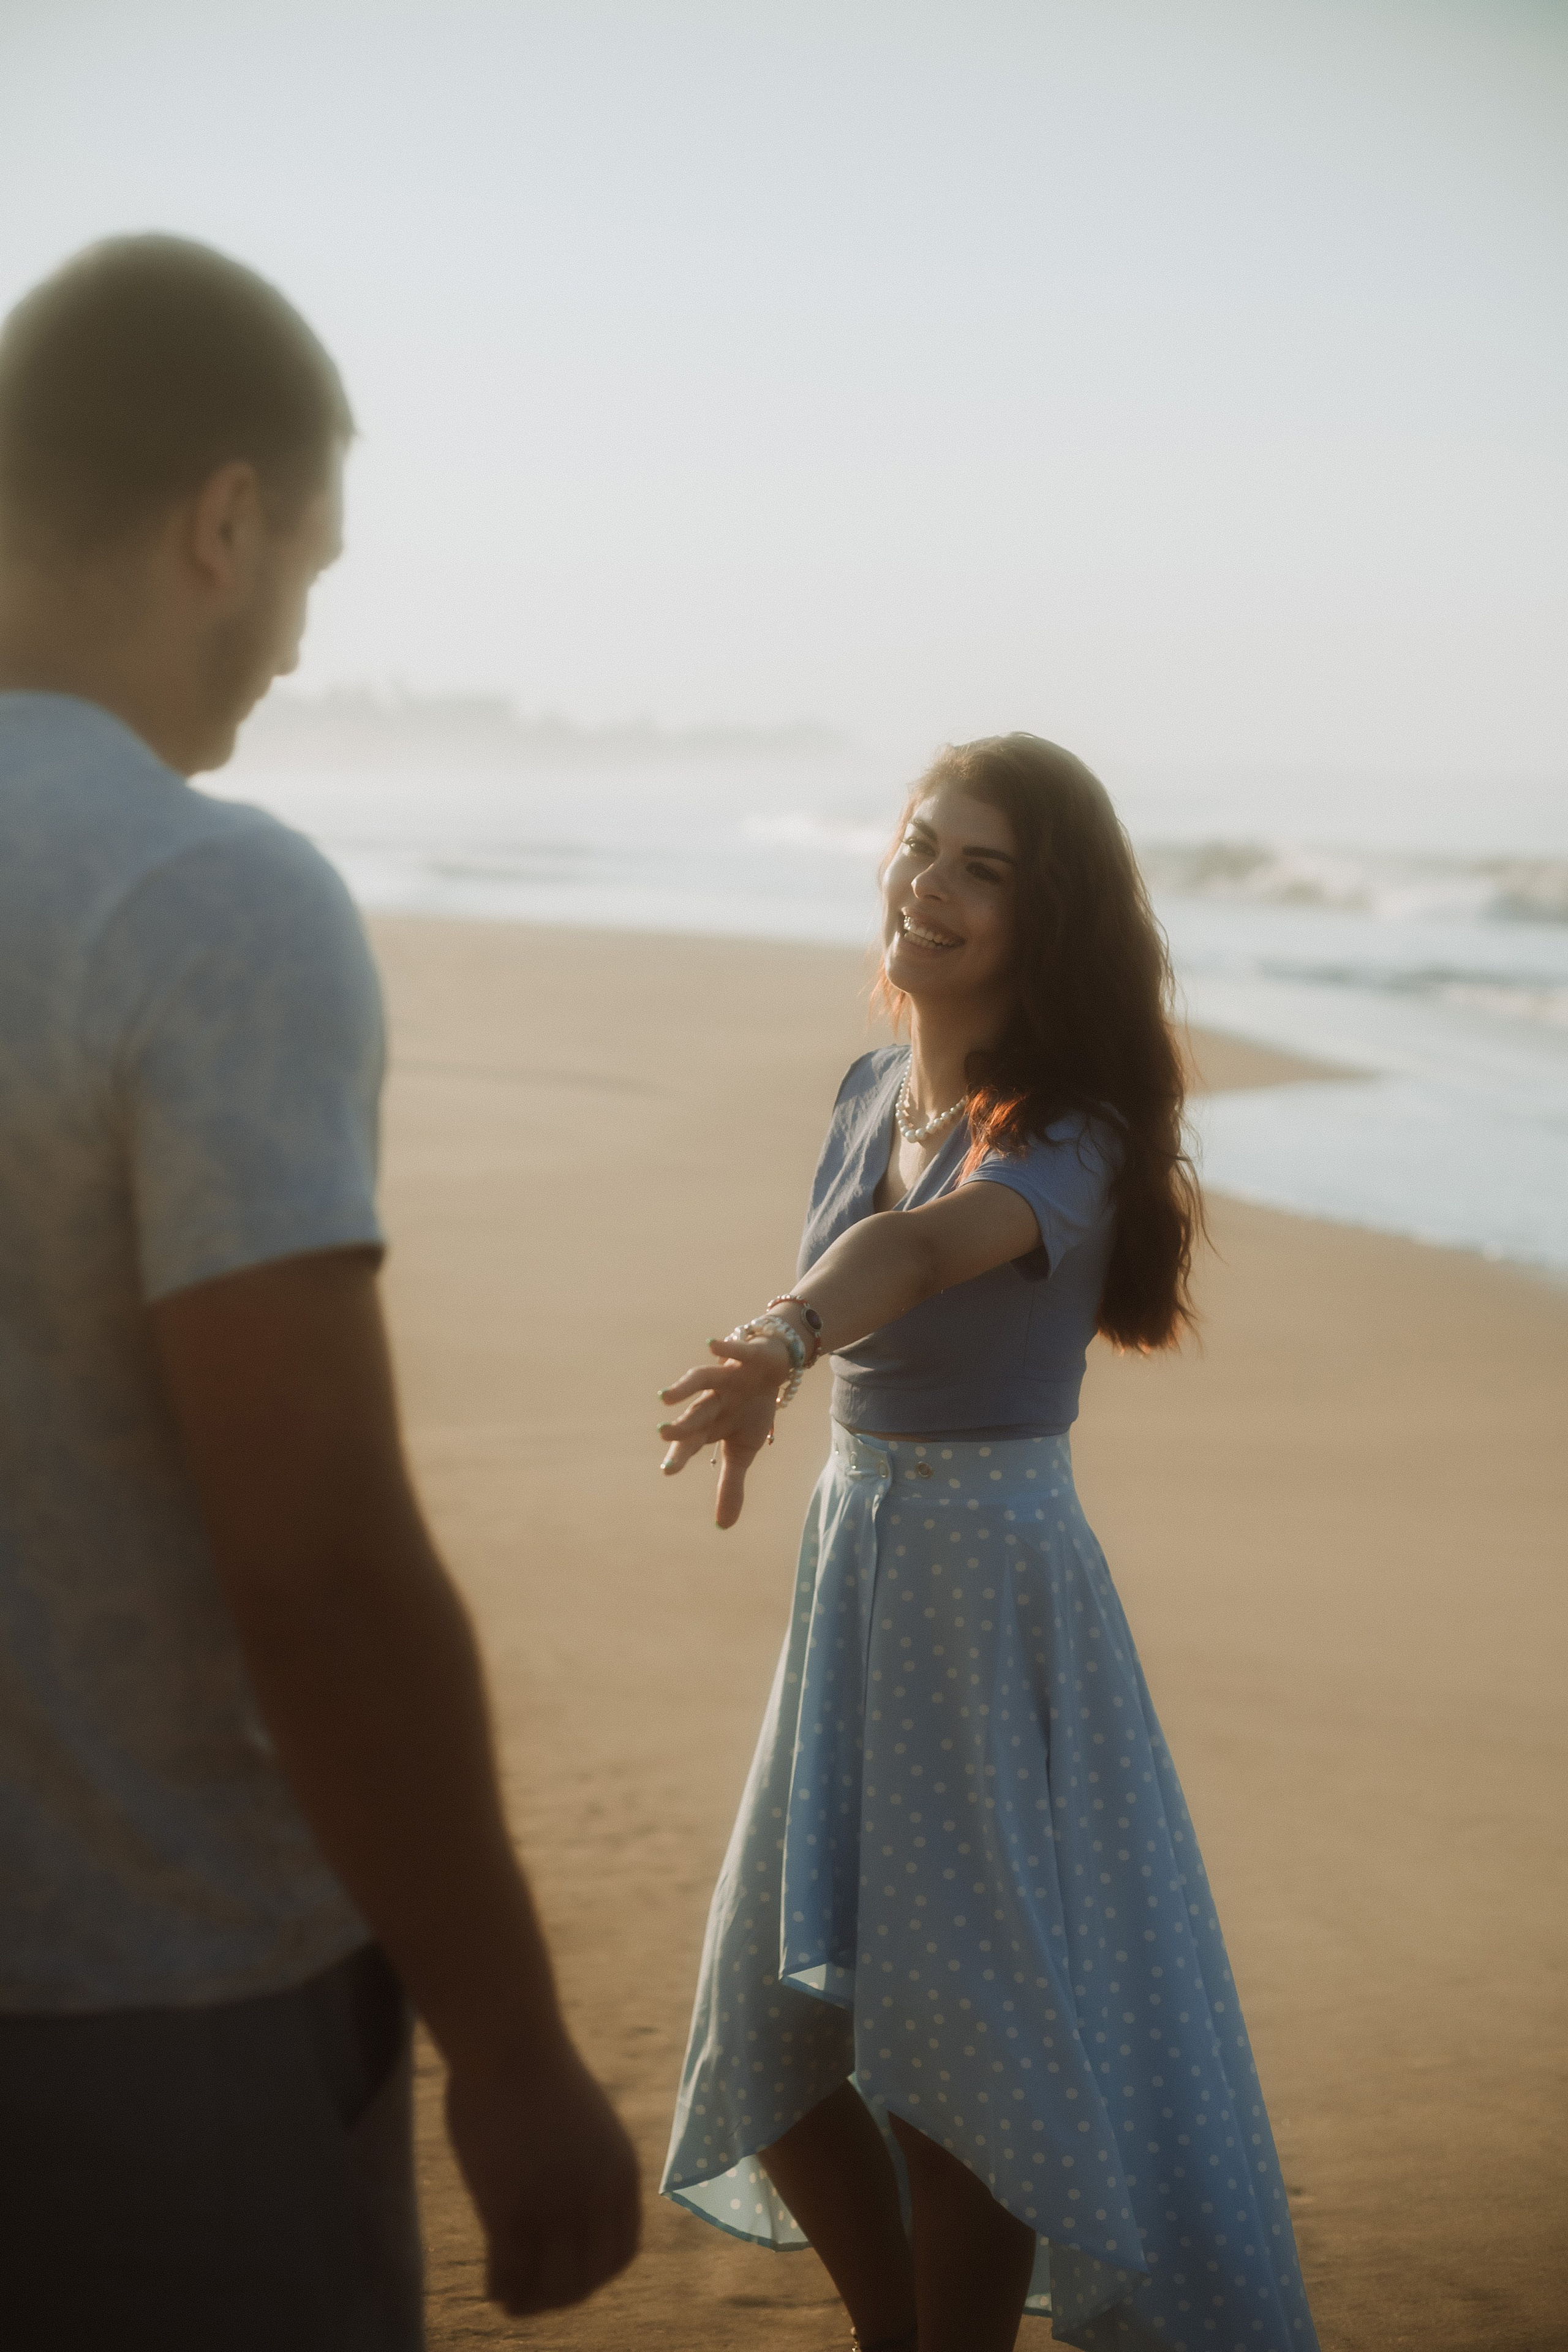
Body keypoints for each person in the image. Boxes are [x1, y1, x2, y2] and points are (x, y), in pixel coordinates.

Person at [0, 235, 638, 2350]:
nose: (289, 641)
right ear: (223, 518)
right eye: (309, 571)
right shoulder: (201, 898)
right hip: (153, 2037)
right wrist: (516, 2047)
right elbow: (318, 1566)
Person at [655, 735, 1319, 2352]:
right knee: (778, 2046)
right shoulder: (870, 1093)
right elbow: (878, 1239)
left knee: (957, 2069)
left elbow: (924, 1248)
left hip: (984, 1588)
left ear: (1048, 918)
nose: (926, 884)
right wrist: (779, 1371)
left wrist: (785, 1342)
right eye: (916, 843)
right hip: (854, 1573)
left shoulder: (1072, 1135)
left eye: (979, 867)